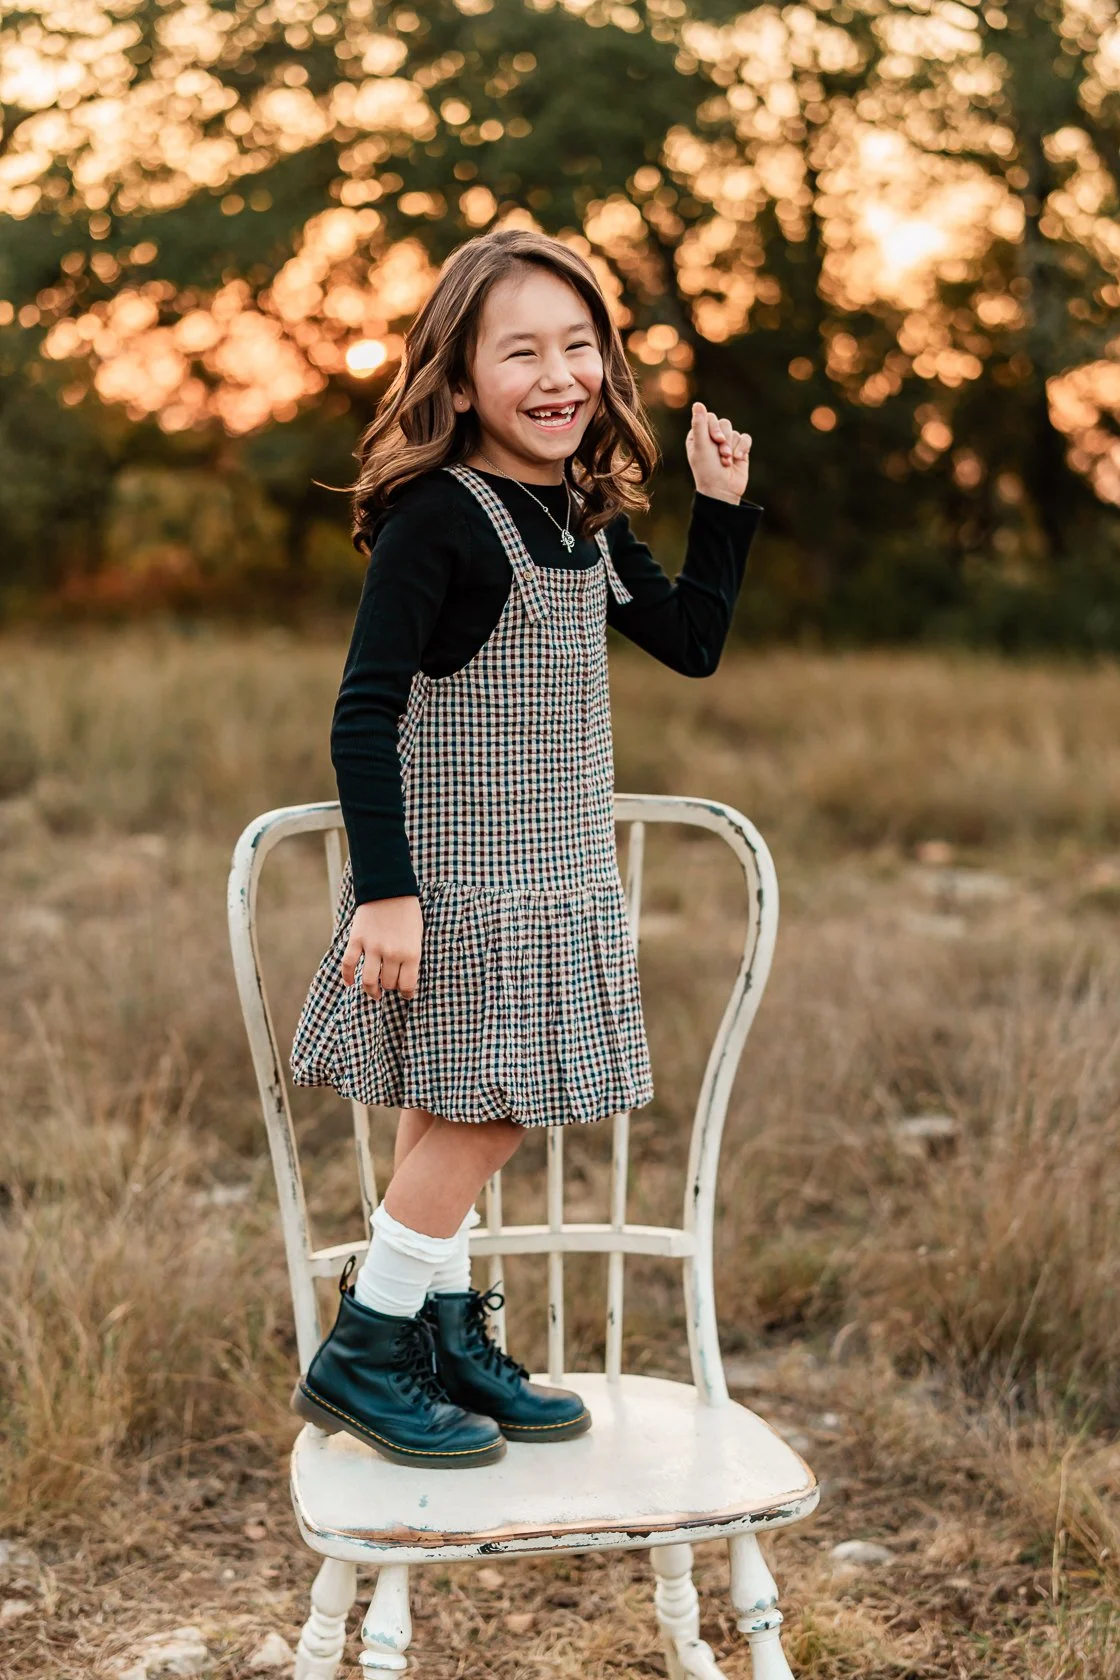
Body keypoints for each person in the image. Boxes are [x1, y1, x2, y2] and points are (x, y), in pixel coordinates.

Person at [288, 227, 760, 1470]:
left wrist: (720, 509)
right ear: (457, 381)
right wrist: (384, 892)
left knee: (447, 1105)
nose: (560, 375)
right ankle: (367, 1345)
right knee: (490, 1116)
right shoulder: (437, 519)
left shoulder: (583, 517)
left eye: (580, 347)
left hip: (553, 883)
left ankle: (441, 1333)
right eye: (523, 353)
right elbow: (362, 712)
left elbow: (692, 641)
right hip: (452, 887)